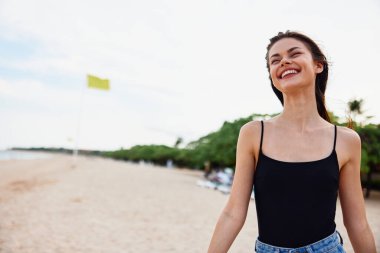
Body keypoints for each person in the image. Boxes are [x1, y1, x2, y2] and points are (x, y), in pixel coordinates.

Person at [207, 31, 377, 253]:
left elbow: (357, 223)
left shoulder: (346, 140)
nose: (284, 61)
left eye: (294, 54)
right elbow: (233, 213)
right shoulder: (253, 133)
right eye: (275, 60)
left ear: (318, 65)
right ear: (273, 77)